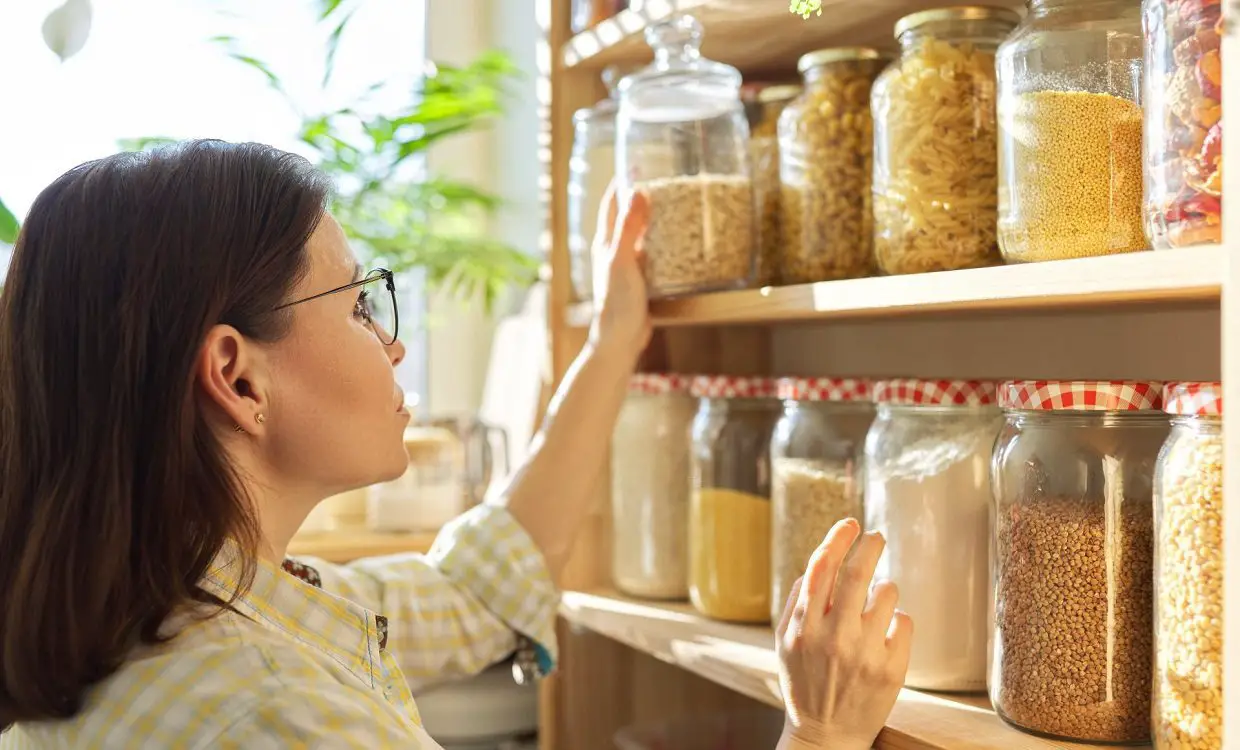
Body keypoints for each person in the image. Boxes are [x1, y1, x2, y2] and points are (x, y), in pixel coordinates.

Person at [0, 140, 911, 749]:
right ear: (239, 379)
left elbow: (478, 586)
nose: (392, 342)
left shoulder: (159, 612)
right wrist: (822, 730)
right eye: (358, 304)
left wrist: (612, 344)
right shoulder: (280, 716)